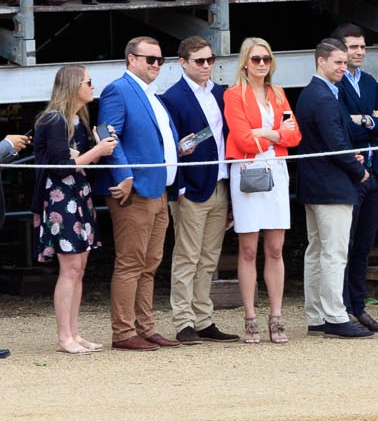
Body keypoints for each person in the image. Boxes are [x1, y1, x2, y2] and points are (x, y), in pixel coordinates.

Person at [98, 35, 180, 351]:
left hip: (158, 190)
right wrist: (126, 176)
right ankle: (123, 332)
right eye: (150, 59)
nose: (156, 65)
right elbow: (109, 135)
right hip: (134, 192)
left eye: (160, 60)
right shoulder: (118, 90)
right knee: (131, 262)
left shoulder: (151, 95)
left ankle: (145, 327)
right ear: (131, 59)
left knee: (150, 263)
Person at [157, 37, 236, 343]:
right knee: (187, 256)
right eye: (199, 61)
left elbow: (224, 136)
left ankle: (204, 318)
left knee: (209, 257)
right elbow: (170, 146)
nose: (206, 66)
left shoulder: (221, 93)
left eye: (210, 60)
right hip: (191, 188)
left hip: (220, 183)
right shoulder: (173, 98)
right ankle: (183, 321)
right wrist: (179, 187)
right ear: (183, 63)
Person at [34, 65, 116, 354]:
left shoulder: (78, 120)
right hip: (60, 198)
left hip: (78, 195)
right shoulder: (54, 120)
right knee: (69, 268)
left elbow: (78, 160)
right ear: (73, 86)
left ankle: (74, 333)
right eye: (88, 82)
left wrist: (94, 148)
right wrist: (97, 151)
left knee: (79, 268)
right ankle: (63, 337)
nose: (93, 86)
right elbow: (62, 166)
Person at [295, 38, 372, 338]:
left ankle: (316, 315)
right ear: (320, 61)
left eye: (345, 61)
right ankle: (335, 315)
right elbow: (335, 144)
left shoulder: (315, 93)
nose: (344, 66)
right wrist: (359, 171)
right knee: (333, 253)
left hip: (316, 184)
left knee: (317, 251)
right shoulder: (323, 97)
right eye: (338, 62)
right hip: (331, 186)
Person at [223, 36, 297, 345]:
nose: (262, 64)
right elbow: (241, 139)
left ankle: (277, 315)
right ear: (245, 62)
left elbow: (294, 136)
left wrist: (268, 134)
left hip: (276, 170)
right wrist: (276, 136)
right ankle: (250, 316)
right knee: (249, 248)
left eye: (266, 59)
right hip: (247, 170)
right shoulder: (233, 95)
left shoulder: (278, 93)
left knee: (276, 248)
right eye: (256, 59)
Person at [334, 25, 378, 334]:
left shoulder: (369, 82)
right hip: (350, 174)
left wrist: (368, 120)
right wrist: (373, 122)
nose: (358, 52)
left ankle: (359, 307)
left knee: (364, 246)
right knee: (345, 243)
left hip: (375, 173)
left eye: (362, 47)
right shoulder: (336, 83)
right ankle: (341, 308)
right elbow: (346, 128)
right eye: (352, 47)